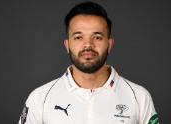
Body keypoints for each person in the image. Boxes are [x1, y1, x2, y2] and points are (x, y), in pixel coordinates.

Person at [18, 1, 159, 124]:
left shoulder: (139, 97)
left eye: (97, 37)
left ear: (109, 44)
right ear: (67, 45)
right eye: (78, 37)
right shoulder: (39, 98)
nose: (88, 45)